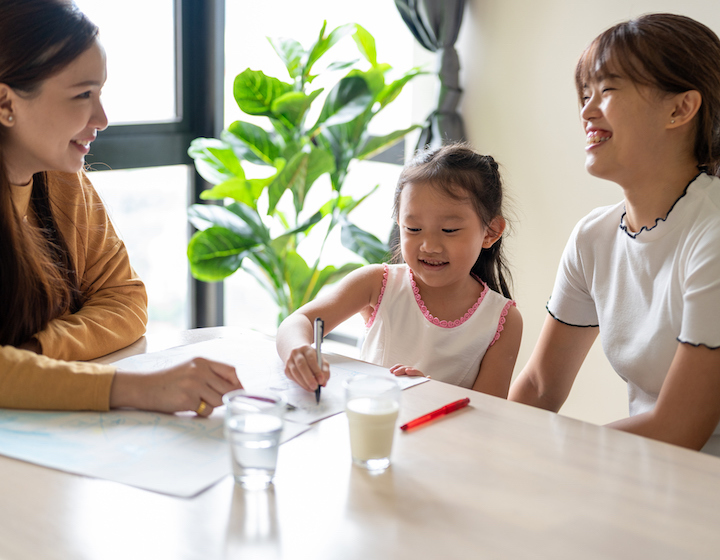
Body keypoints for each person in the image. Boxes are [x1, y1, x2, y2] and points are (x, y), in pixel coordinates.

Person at [0, 0, 241, 416]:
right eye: (83, 94)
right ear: (5, 104)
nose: (103, 117)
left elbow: (125, 299)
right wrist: (139, 388)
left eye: (101, 92)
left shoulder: (63, 182)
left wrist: (37, 353)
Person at [509, 13, 720, 455]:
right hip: (643, 475)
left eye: (606, 90)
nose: (586, 111)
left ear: (680, 108)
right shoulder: (595, 237)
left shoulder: (713, 233)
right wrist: (493, 441)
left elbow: (678, 430)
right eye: (585, 94)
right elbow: (542, 385)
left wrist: (549, 453)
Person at [277, 143, 522, 397]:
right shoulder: (377, 283)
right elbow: (298, 321)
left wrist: (427, 395)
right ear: (399, 224)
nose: (429, 246)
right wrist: (297, 350)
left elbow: (487, 416)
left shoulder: (502, 321)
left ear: (491, 232)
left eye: (449, 230)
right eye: (413, 229)